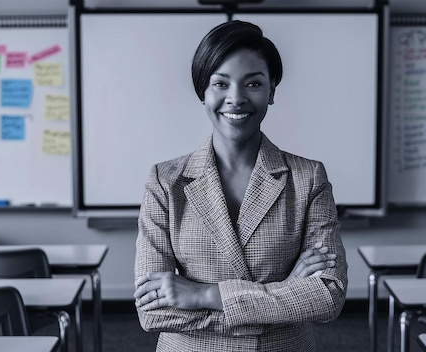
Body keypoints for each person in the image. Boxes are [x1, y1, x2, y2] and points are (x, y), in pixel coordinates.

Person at [134, 20, 348, 351]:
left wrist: (205, 295)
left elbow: (328, 295)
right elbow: (152, 312)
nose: (235, 99)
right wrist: (285, 294)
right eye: (220, 84)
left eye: (253, 84)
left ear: (271, 91)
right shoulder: (165, 181)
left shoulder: (309, 177)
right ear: (202, 92)